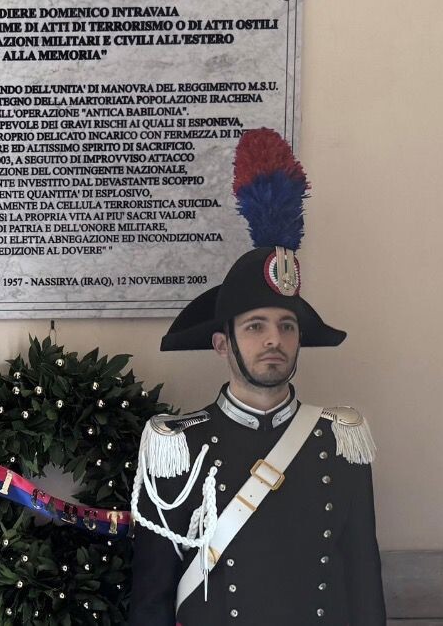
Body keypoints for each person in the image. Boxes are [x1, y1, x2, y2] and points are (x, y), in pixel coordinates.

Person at [128, 129, 386, 624]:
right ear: (222, 343)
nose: (275, 339)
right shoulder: (176, 445)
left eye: (286, 326)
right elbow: (152, 594)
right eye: (256, 327)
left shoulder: (341, 440)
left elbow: (362, 578)